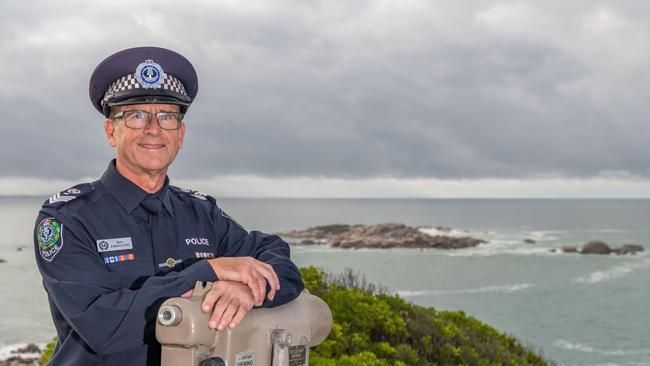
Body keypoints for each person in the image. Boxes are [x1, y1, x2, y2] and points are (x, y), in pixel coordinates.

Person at [33, 47, 304, 365]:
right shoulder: (67, 219)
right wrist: (212, 271)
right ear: (111, 131)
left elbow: (280, 265)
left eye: (167, 116)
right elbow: (102, 326)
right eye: (136, 116)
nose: (153, 129)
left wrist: (248, 291)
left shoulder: (202, 214)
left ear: (181, 135)